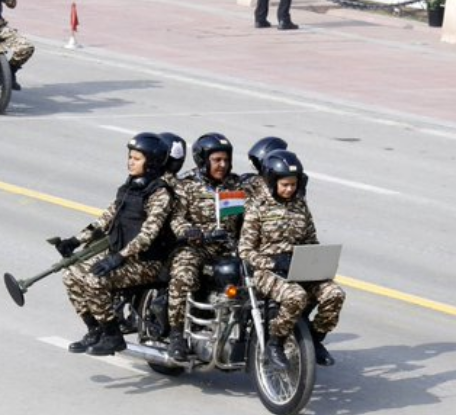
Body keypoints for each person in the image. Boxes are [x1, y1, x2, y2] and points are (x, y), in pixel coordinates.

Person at [57, 133, 176, 356]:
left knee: (94, 280)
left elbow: (148, 235)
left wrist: (119, 257)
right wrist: (75, 240)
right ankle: (95, 330)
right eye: (130, 157)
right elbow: (106, 219)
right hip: (124, 257)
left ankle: (113, 336)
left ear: (150, 163)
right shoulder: (130, 187)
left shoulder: (160, 194)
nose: (130, 162)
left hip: (148, 263)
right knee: (71, 274)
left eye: (137, 158)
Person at [239, 149, 345, 368]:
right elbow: (246, 251)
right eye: (284, 185)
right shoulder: (257, 208)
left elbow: (310, 239)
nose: (290, 189)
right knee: (296, 297)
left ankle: (314, 340)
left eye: (293, 184)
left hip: (299, 267)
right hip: (267, 271)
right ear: (272, 182)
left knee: (334, 294)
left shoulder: (300, 205)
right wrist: (273, 263)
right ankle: (275, 342)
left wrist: (316, 261)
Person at [166, 133, 248, 361]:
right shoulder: (187, 185)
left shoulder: (236, 184)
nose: (223, 165)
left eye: (226, 160)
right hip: (197, 246)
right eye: (217, 160)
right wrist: (189, 231)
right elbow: (176, 218)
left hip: (229, 247)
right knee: (184, 273)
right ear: (203, 161)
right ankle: (176, 336)